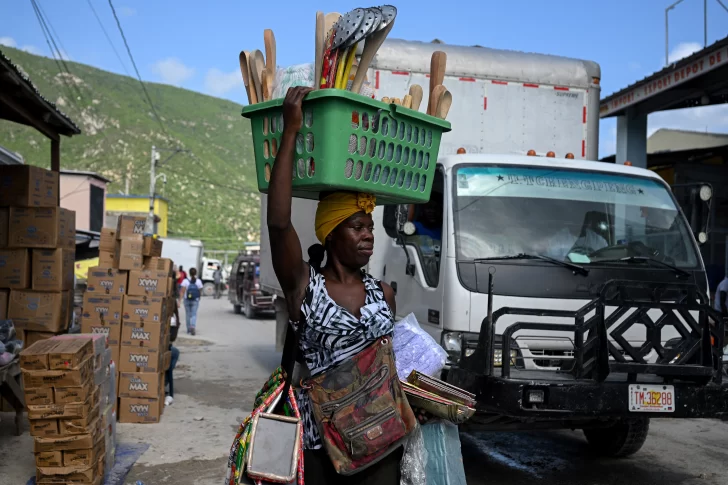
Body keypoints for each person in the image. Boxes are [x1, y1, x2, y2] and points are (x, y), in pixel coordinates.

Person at [268, 86, 403, 485]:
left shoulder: (385, 295)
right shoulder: (304, 287)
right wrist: (291, 132)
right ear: (330, 233)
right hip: (320, 448)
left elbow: (388, 368)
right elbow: (279, 224)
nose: (368, 236)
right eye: (357, 227)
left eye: (370, 228)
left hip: (381, 443)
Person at [180, 267, 203, 335]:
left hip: (187, 300)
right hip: (195, 300)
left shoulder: (185, 281)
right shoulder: (198, 281)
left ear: (189, 273)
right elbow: (200, 290)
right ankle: (193, 326)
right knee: (194, 314)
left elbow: (182, 291)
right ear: (195, 273)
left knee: (188, 314)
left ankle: (188, 329)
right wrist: (199, 297)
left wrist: (179, 301)